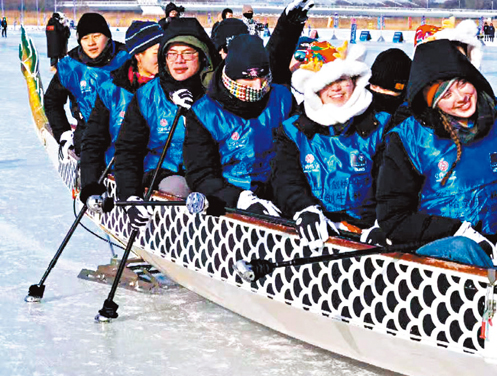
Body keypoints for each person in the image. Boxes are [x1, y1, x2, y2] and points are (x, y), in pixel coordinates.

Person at [376, 39, 497, 279]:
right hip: (440, 249)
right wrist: (457, 230)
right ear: (432, 104)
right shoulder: (407, 139)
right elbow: (394, 217)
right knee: (463, 250)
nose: (460, 97)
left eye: (461, 83)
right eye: (446, 94)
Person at [271, 44, 391, 248]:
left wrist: (384, 222)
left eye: (342, 80)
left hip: (367, 231)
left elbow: (391, 180)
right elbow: (285, 177)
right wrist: (304, 208)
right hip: (318, 227)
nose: (336, 89)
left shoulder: (382, 125)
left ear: (354, 81)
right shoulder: (292, 131)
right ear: (314, 90)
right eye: (326, 83)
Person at [114, 18, 218, 230]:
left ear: (202, 55)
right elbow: (128, 151)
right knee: (179, 188)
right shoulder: (146, 96)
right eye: (172, 54)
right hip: (166, 171)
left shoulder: (219, 93)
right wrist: (130, 197)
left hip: (213, 173)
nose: (179, 60)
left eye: (188, 53)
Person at [183, 35, 295, 216]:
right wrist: (239, 199)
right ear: (232, 77)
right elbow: (201, 174)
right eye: (248, 79)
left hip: (279, 191)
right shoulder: (204, 113)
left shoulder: (283, 98)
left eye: (262, 75)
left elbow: (296, 153)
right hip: (229, 196)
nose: (258, 85)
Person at [78, 21, 164, 204]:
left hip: (162, 170)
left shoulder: (172, 87)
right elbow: (94, 140)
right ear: (138, 55)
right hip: (122, 170)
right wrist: (91, 184)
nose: (165, 59)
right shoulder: (112, 90)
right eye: (157, 53)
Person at [43, 13, 129, 159]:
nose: (91, 43)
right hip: (87, 137)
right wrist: (63, 133)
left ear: (107, 36)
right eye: (85, 38)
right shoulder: (70, 65)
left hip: (128, 134)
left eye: (96, 36)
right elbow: (52, 101)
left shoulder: (127, 58)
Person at [367, 48, 412, 116]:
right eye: (374, 86)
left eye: (386, 89)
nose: (378, 91)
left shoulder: (410, 122)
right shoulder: (355, 109)